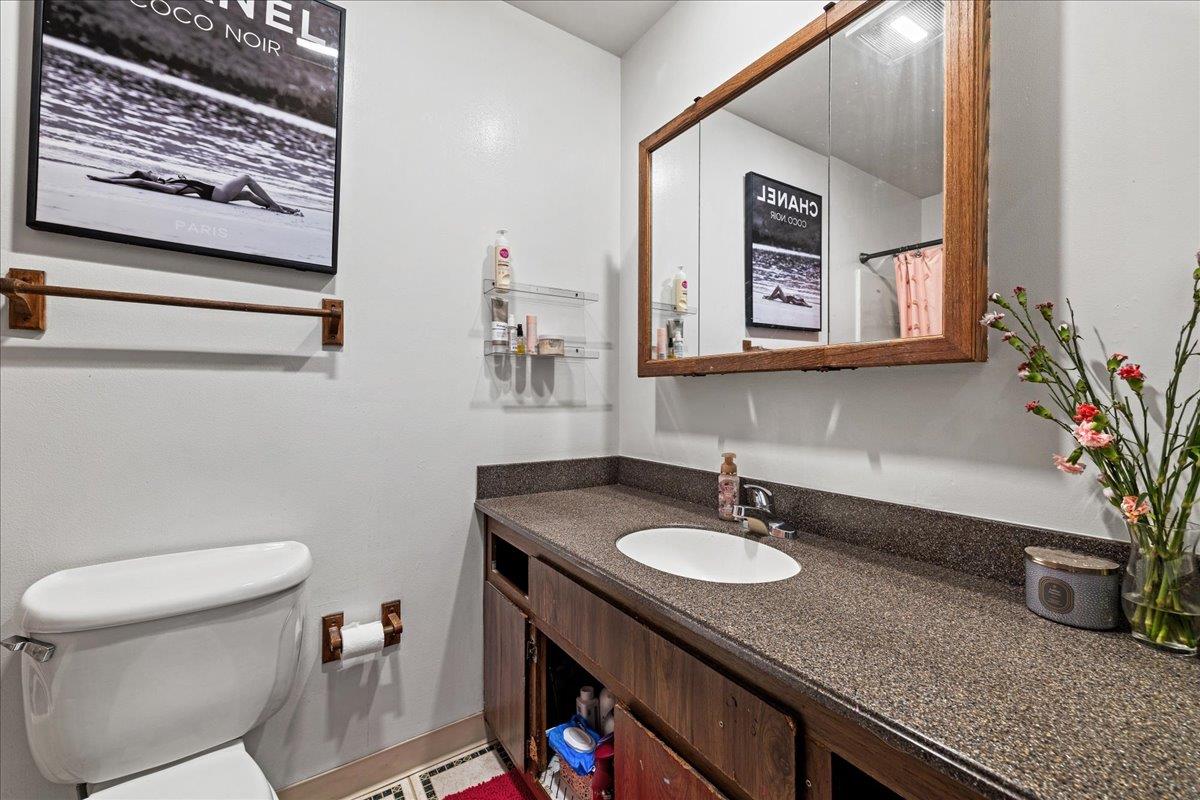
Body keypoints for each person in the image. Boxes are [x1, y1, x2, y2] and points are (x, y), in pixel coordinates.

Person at [87, 170, 302, 215]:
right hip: (218, 194)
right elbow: (139, 182)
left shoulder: (170, 181)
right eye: (149, 173)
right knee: (247, 178)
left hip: (217, 195)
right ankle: (275, 205)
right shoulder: (170, 187)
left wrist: (112, 178)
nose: (152, 172)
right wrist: (104, 180)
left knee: (247, 196)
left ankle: (284, 209)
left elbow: (134, 176)